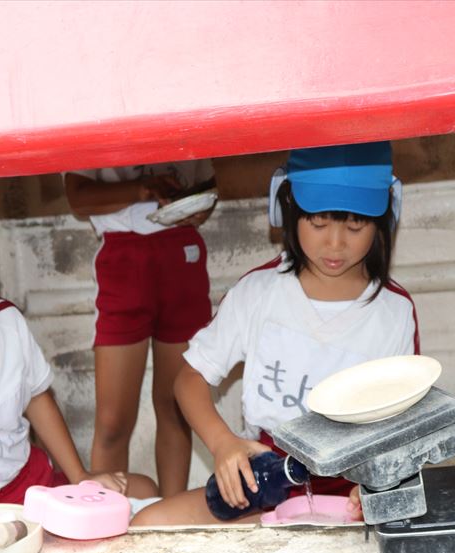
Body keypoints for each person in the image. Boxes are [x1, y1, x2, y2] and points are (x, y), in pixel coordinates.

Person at [131, 141, 419, 526]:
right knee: (148, 525)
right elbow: (189, 379)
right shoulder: (259, 292)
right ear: (287, 207)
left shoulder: (394, 311)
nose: (335, 243)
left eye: (355, 225)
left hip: (349, 496)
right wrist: (223, 444)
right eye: (319, 222)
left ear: (385, 216)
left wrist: (379, 485)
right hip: (263, 484)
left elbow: (403, 424)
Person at [0, 183, 158, 513]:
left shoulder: (7, 323)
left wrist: (80, 476)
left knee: (145, 489)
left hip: (37, 485)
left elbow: (36, 398)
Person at [64, 159, 216, 496]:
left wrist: (195, 206)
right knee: (112, 421)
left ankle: (173, 513)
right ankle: (104, 513)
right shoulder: (90, 129)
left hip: (182, 252)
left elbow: (208, 186)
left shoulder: (189, 126)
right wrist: (142, 189)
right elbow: (77, 197)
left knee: (175, 405)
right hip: (123, 254)